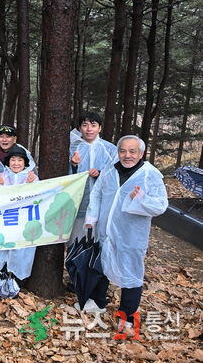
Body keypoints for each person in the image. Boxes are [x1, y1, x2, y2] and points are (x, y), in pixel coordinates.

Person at [78, 135, 167, 335]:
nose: (127, 155)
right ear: (118, 152)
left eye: (132, 151)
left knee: (131, 272)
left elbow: (161, 205)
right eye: (123, 151)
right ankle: (98, 301)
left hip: (131, 234)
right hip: (105, 229)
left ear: (141, 154)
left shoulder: (150, 175)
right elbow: (97, 193)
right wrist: (91, 217)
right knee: (102, 264)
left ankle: (127, 316)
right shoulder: (110, 170)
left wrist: (141, 199)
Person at [67, 112, 118, 245]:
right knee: (76, 241)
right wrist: (73, 165)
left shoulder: (110, 149)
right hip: (77, 204)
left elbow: (116, 176)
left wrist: (100, 173)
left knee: (99, 241)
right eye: (85, 125)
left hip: (102, 204)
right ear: (79, 128)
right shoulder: (72, 149)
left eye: (93, 125)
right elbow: (64, 179)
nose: (89, 129)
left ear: (99, 128)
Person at [0, 146, 39, 283]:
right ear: (8, 161)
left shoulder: (32, 177)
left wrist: (29, 185)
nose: (16, 163)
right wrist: (0, 185)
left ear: (25, 162)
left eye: (19, 160)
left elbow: (36, 199)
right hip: (6, 220)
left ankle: (17, 278)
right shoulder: (2, 177)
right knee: (3, 248)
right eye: (13, 160)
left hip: (24, 221)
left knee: (21, 250)